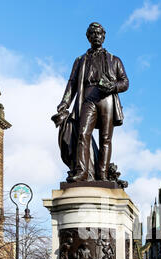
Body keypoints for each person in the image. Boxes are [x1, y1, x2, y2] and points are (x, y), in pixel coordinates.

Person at [53, 22, 129, 182]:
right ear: (88, 37)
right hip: (88, 98)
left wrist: (113, 86)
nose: (96, 36)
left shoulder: (114, 60)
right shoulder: (81, 60)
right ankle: (82, 172)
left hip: (107, 99)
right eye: (93, 34)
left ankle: (102, 174)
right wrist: (65, 103)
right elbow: (72, 83)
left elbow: (125, 82)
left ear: (104, 36)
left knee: (106, 138)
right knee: (83, 133)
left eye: (99, 33)